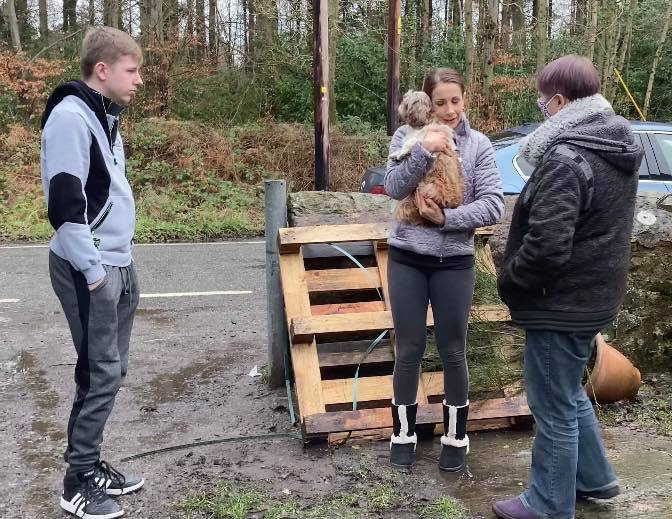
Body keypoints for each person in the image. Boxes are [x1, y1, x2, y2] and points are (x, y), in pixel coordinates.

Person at [493, 55, 643, 519]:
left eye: (543, 102)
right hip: (596, 296)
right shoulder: (616, 143)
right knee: (568, 390)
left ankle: (548, 503)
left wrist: (511, 283)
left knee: (551, 402)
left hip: (560, 303)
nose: (542, 109)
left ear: (560, 101)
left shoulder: (566, 157)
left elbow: (547, 247)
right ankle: (595, 479)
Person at [41, 26, 145, 519]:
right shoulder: (70, 119)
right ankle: (76, 479)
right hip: (91, 267)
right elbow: (64, 204)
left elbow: (107, 191)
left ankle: (90, 463)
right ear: (102, 70)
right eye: (132, 70)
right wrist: (93, 270)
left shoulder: (104, 117)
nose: (139, 80)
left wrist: (121, 258)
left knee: (111, 370)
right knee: (97, 372)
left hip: (117, 260)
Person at [384, 68, 504, 471]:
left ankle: (456, 435)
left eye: (456, 100)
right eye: (441, 102)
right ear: (428, 103)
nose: (450, 110)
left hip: (454, 261)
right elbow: (395, 188)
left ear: (465, 99)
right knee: (410, 349)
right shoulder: (406, 136)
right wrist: (424, 150)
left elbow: (492, 204)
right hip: (407, 259)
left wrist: (446, 220)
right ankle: (403, 433)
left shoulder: (479, 145)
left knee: (453, 350)